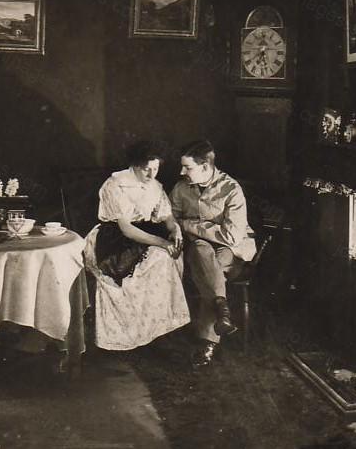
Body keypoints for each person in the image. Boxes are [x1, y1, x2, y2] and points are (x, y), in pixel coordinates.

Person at [84, 141, 190, 351]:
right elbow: (126, 229)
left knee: (168, 257)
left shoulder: (155, 186)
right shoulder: (116, 184)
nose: (151, 174)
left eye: (156, 169)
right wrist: (162, 242)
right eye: (146, 169)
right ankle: (128, 334)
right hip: (114, 237)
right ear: (134, 165)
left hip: (142, 234)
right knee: (158, 258)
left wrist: (175, 228)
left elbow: (166, 215)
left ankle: (155, 328)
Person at [170, 139, 256, 366]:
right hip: (197, 250)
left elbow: (231, 237)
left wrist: (189, 225)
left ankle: (212, 329)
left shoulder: (231, 189)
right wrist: (189, 227)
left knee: (210, 269)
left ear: (205, 166)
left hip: (231, 252)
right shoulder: (180, 188)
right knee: (201, 250)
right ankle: (221, 313)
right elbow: (170, 221)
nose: (181, 172)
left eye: (187, 167)